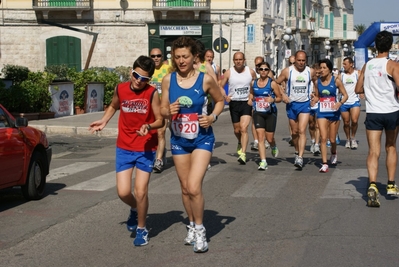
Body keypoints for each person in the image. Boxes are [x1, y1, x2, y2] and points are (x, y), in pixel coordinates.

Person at [89, 56, 164, 246]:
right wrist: (104, 120)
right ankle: (135, 209)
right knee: (123, 192)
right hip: (124, 146)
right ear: (132, 72)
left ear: (149, 80)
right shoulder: (120, 88)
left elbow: (160, 120)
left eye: (144, 78)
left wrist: (149, 126)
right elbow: (114, 105)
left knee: (140, 192)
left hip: (145, 147)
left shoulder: (152, 93)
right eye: (137, 75)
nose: (139, 80)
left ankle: (141, 229)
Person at [160, 36, 224, 252]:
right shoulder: (168, 80)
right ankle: (190, 224)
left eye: (185, 56)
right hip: (178, 139)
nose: (181, 61)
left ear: (194, 56)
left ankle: (200, 229)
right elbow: (161, 109)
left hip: (202, 138)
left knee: (194, 187)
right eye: (177, 57)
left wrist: (213, 117)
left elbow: (221, 100)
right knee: (185, 188)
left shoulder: (205, 79)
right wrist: (168, 110)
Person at [355, 30, 399, 207]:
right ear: (389, 46)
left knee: (373, 151)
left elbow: (358, 88)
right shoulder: (393, 65)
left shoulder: (368, 65)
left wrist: (371, 91)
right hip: (391, 111)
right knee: (390, 147)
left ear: (375, 46)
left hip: (373, 112)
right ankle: (390, 185)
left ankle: (372, 184)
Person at [275, 51, 318, 169]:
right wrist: (283, 95)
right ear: (295, 60)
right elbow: (276, 83)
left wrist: (316, 95)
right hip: (292, 104)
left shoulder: (310, 71)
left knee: (301, 130)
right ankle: (296, 150)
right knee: (294, 132)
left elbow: (316, 82)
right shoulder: (288, 71)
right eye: (299, 60)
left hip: (305, 104)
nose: (301, 63)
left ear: (306, 61)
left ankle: (300, 157)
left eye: (303, 60)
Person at [219, 52, 257, 164]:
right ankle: (240, 142)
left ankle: (243, 154)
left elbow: (256, 86)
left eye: (240, 59)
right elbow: (220, 86)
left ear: (244, 60)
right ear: (233, 60)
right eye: (236, 59)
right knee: (237, 129)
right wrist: (225, 96)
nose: (238, 61)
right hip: (234, 103)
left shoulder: (250, 72)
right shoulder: (229, 72)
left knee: (244, 128)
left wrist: (252, 97)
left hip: (246, 102)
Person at [316, 58, 348, 173]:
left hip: (334, 113)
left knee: (332, 139)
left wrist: (339, 103)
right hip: (322, 113)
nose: (322, 70)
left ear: (330, 69)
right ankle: (324, 163)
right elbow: (317, 96)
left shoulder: (336, 81)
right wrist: (314, 99)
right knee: (323, 138)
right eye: (321, 68)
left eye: (324, 68)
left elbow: (345, 95)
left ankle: (334, 152)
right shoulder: (317, 81)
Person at [249, 61, 282, 170]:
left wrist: (272, 99)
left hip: (270, 112)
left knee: (269, 137)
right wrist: (250, 99)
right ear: (258, 71)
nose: (263, 71)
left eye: (266, 69)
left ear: (269, 71)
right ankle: (263, 161)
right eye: (261, 69)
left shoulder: (272, 83)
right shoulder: (253, 83)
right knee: (260, 137)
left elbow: (279, 98)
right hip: (258, 112)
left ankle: (273, 145)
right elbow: (252, 94)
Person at [149, 48, 172, 173]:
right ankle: (160, 152)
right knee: (151, 134)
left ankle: (158, 160)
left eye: (158, 56)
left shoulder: (167, 70)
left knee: (160, 133)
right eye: (153, 56)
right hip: (150, 107)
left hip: (163, 106)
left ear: (162, 56)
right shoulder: (147, 71)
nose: (156, 58)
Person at [340, 57, 362, 149]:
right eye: (343, 64)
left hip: (354, 101)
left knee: (354, 121)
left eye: (345, 64)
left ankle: (353, 137)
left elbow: (364, 83)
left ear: (351, 64)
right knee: (346, 122)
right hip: (344, 102)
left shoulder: (358, 74)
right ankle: (347, 139)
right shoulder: (341, 76)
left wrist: (363, 92)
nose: (343, 66)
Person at [251, 56, 270, 151]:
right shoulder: (253, 74)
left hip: (267, 106)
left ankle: (266, 139)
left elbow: (274, 87)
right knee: (254, 121)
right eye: (256, 65)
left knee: (266, 123)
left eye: (260, 64)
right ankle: (256, 141)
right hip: (256, 104)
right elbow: (251, 88)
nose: (259, 67)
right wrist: (251, 98)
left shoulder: (268, 73)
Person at [309, 63, 321, 155]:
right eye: (315, 73)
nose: (316, 75)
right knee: (311, 124)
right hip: (309, 104)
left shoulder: (321, 81)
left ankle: (317, 144)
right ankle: (313, 140)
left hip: (319, 104)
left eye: (318, 73)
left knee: (317, 125)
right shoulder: (308, 81)